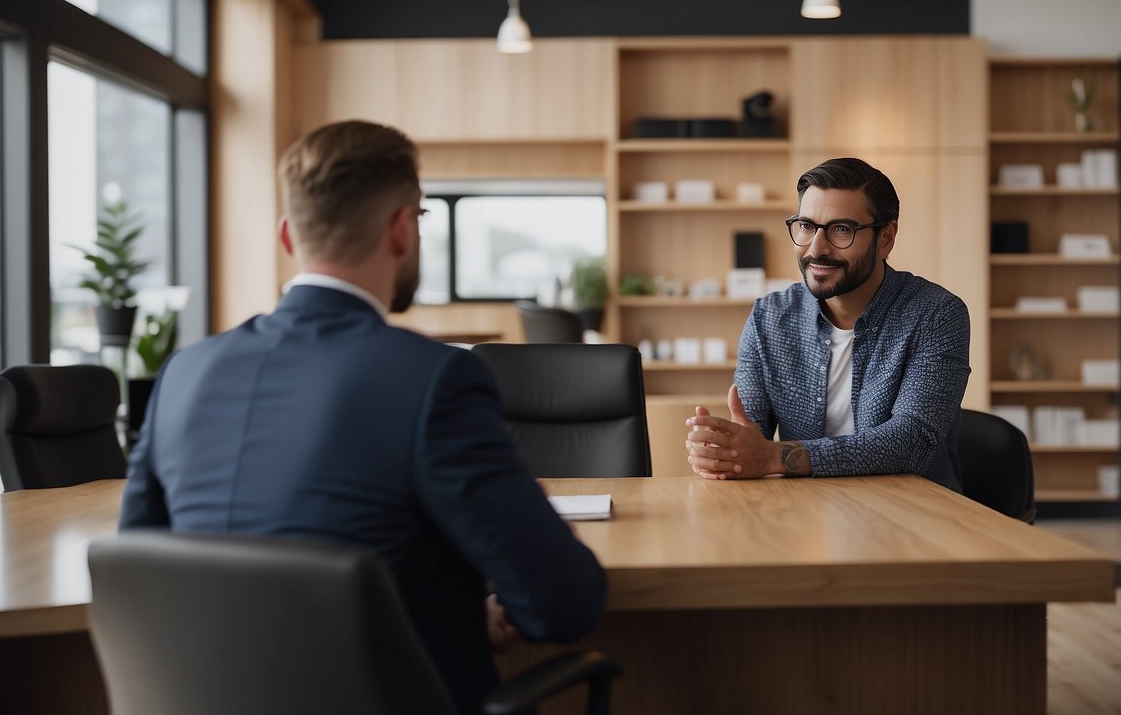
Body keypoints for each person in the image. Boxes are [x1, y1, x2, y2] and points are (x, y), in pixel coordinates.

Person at [120, 120, 606, 714]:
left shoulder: (183, 375)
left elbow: (140, 577)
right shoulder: (434, 379)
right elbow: (563, 604)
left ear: (287, 237)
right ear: (402, 229)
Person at [685, 157, 970, 491]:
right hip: (806, 519)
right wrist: (724, 452)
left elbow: (911, 442)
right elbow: (751, 439)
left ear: (886, 239)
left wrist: (775, 457)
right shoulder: (769, 319)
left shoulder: (937, 315)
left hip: (914, 515)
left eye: (841, 229)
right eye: (806, 226)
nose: (816, 249)